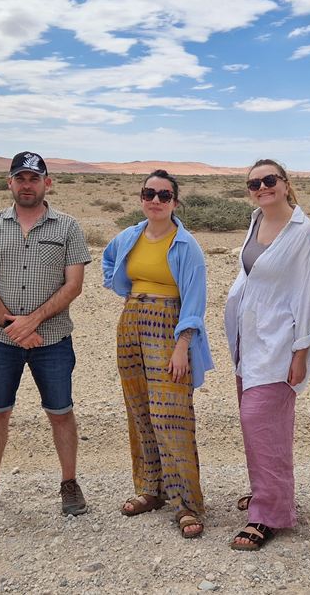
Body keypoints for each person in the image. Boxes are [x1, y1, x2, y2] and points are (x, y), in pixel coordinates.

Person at [0, 151, 92, 516]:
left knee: (60, 412)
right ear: (10, 183)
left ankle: (69, 483)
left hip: (53, 340)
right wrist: (13, 328)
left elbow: (74, 284)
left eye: (34, 178)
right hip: (1, 342)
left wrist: (32, 322)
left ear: (47, 183)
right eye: (20, 178)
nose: (27, 185)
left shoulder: (68, 227)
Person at [101, 170, 213, 539]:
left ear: (175, 202)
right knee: (139, 410)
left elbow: (195, 300)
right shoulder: (129, 236)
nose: (156, 200)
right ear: (141, 198)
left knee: (171, 415)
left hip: (169, 326)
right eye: (149, 193)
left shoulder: (186, 245)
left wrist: (182, 346)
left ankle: (187, 503)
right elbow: (108, 260)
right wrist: (121, 286)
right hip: (131, 321)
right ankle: (151, 489)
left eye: (164, 195)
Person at [223, 160, 310, 551]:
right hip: (249, 341)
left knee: (262, 422)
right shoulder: (256, 220)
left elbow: (309, 293)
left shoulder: (303, 232)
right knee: (256, 426)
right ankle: (267, 492)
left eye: (269, 180)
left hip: (280, 342)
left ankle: (270, 513)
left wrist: (301, 352)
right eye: (254, 183)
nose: (262, 187)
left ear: (285, 183)